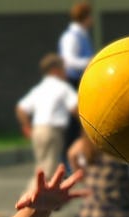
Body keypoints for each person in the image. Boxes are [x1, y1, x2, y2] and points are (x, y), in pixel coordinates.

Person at [16, 53, 78, 186]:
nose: (65, 72)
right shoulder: (63, 87)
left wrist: (26, 126)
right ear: (55, 70)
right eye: (63, 68)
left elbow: (21, 108)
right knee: (48, 171)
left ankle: (32, 199)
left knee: (41, 166)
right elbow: (75, 107)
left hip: (38, 129)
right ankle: (31, 201)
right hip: (52, 131)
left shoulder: (39, 88)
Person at [58, 1, 95, 165]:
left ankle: (80, 160)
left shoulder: (82, 35)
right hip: (73, 83)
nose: (92, 19)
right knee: (73, 126)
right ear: (84, 17)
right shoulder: (71, 36)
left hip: (81, 82)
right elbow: (69, 61)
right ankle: (66, 164)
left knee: (81, 125)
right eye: (90, 16)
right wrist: (91, 61)